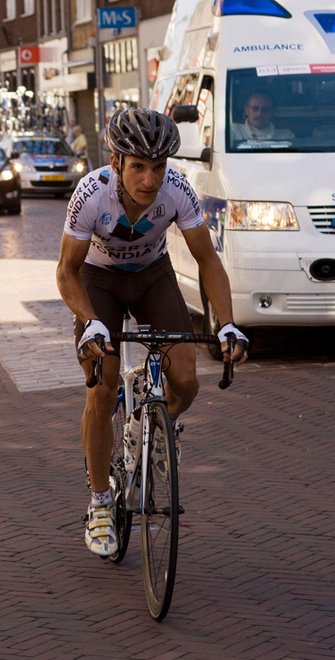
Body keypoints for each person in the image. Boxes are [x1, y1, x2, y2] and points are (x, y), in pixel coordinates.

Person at [56, 107, 248, 558]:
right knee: (101, 390)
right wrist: (91, 321)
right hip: (97, 282)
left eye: (158, 167)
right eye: (139, 166)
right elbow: (66, 272)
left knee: (185, 381)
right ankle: (101, 502)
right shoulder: (91, 194)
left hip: (151, 276)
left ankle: (150, 424)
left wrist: (227, 323)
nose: (150, 179)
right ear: (117, 161)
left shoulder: (177, 190)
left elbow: (208, 261)